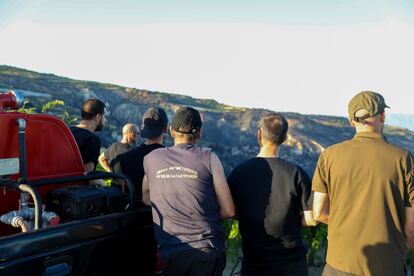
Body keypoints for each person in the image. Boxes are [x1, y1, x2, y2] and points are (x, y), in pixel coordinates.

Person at [312, 91, 414, 276]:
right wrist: (399, 252)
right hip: (388, 265)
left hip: (340, 264)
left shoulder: (329, 156)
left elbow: (319, 212)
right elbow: (411, 222)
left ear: (352, 121)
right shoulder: (403, 159)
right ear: (383, 116)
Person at [142, 106, 235, 276]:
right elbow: (229, 210)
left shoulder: (151, 159)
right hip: (207, 248)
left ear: (171, 131)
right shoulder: (209, 157)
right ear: (199, 133)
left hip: (171, 250)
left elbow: (147, 198)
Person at [227, 113, 316, 276]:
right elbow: (311, 219)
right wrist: (290, 219)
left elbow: (230, 211)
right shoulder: (297, 173)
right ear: (285, 138)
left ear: (259, 134)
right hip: (292, 266)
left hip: (254, 263)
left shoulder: (239, 173)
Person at [112, 107, 168, 197]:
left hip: (130, 208)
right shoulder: (173, 161)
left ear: (143, 128)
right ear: (165, 128)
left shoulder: (121, 160)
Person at [70, 98, 106, 172]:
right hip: (71, 182)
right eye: (104, 116)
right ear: (98, 117)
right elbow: (86, 176)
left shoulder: (67, 130)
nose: (105, 120)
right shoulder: (92, 140)